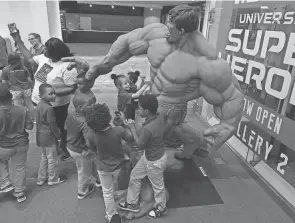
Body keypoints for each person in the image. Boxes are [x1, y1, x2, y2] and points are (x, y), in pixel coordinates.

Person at [62, 5, 244, 160]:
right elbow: (124, 44)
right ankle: (192, 143)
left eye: (170, 27)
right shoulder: (157, 33)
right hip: (154, 98)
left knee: (142, 140)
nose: (166, 30)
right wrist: (95, 70)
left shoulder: (205, 60)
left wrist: (228, 124)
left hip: (171, 105)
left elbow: (231, 92)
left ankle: (146, 177)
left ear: (181, 31)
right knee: (175, 128)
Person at [12, 32, 78, 161]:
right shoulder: (44, 58)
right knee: (46, 127)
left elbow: (72, 88)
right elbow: (30, 58)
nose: (44, 50)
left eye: (47, 49)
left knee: (60, 127)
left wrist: (52, 94)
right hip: (39, 103)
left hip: (57, 106)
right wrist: (18, 40)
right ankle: (51, 147)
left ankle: (64, 148)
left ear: (55, 52)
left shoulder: (67, 67)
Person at [118, 94, 167, 219]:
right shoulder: (159, 116)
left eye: (139, 108)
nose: (137, 110)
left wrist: (132, 127)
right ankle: (132, 203)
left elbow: (140, 145)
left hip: (154, 161)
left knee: (158, 186)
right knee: (134, 176)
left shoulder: (148, 129)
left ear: (146, 111)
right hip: (149, 157)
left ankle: (161, 208)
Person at [84, 103, 133, 223]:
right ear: (108, 117)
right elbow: (130, 138)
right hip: (118, 166)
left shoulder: (91, 134)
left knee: (107, 191)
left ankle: (111, 215)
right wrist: (125, 123)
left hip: (102, 166)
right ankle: (119, 203)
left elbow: (89, 146)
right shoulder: (119, 130)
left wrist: (97, 152)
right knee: (117, 185)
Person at [0, 82, 33, 203]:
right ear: (11, 97)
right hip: (21, 143)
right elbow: (29, 127)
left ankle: (5, 181)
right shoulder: (23, 110)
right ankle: (19, 193)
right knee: (19, 167)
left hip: (4, 146)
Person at [65, 93, 101, 200]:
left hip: (71, 146)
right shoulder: (84, 122)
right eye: (90, 105)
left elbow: (66, 127)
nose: (93, 106)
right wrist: (96, 149)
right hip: (80, 150)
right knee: (84, 172)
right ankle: (82, 191)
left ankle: (99, 180)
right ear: (80, 107)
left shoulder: (71, 114)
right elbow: (90, 140)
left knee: (91, 163)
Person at [36, 84, 67, 186]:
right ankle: (53, 178)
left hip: (41, 136)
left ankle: (41, 178)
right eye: (50, 94)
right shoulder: (49, 108)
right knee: (52, 159)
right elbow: (53, 125)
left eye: (54, 93)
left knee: (44, 157)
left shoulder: (39, 105)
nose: (54, 95)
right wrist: (58, 136)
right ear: (42, 95)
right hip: (49, 137)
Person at [0, 52, 34, 120]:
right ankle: (33, 118)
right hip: (26, 89)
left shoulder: (5, 69)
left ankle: (20, 120)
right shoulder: (24, 68)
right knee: (29, 104)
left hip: (15, 90)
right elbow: (29, 80)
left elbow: (4, 82)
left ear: (8, 60)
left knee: (18, 106)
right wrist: (32, 87)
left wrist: (8, 89)